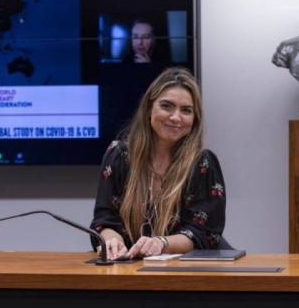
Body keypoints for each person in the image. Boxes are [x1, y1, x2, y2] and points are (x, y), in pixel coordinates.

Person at [90, 67, 226, 259]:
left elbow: (202, 234)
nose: (175, 117)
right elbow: (104, 221)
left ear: (194, 119)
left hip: (185, 274)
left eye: (186, 110)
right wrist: (112, 242)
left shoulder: (202, 163)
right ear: (148, 108)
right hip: (127, 270)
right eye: (166, 106)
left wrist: (160, 243)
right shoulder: (119, 155)